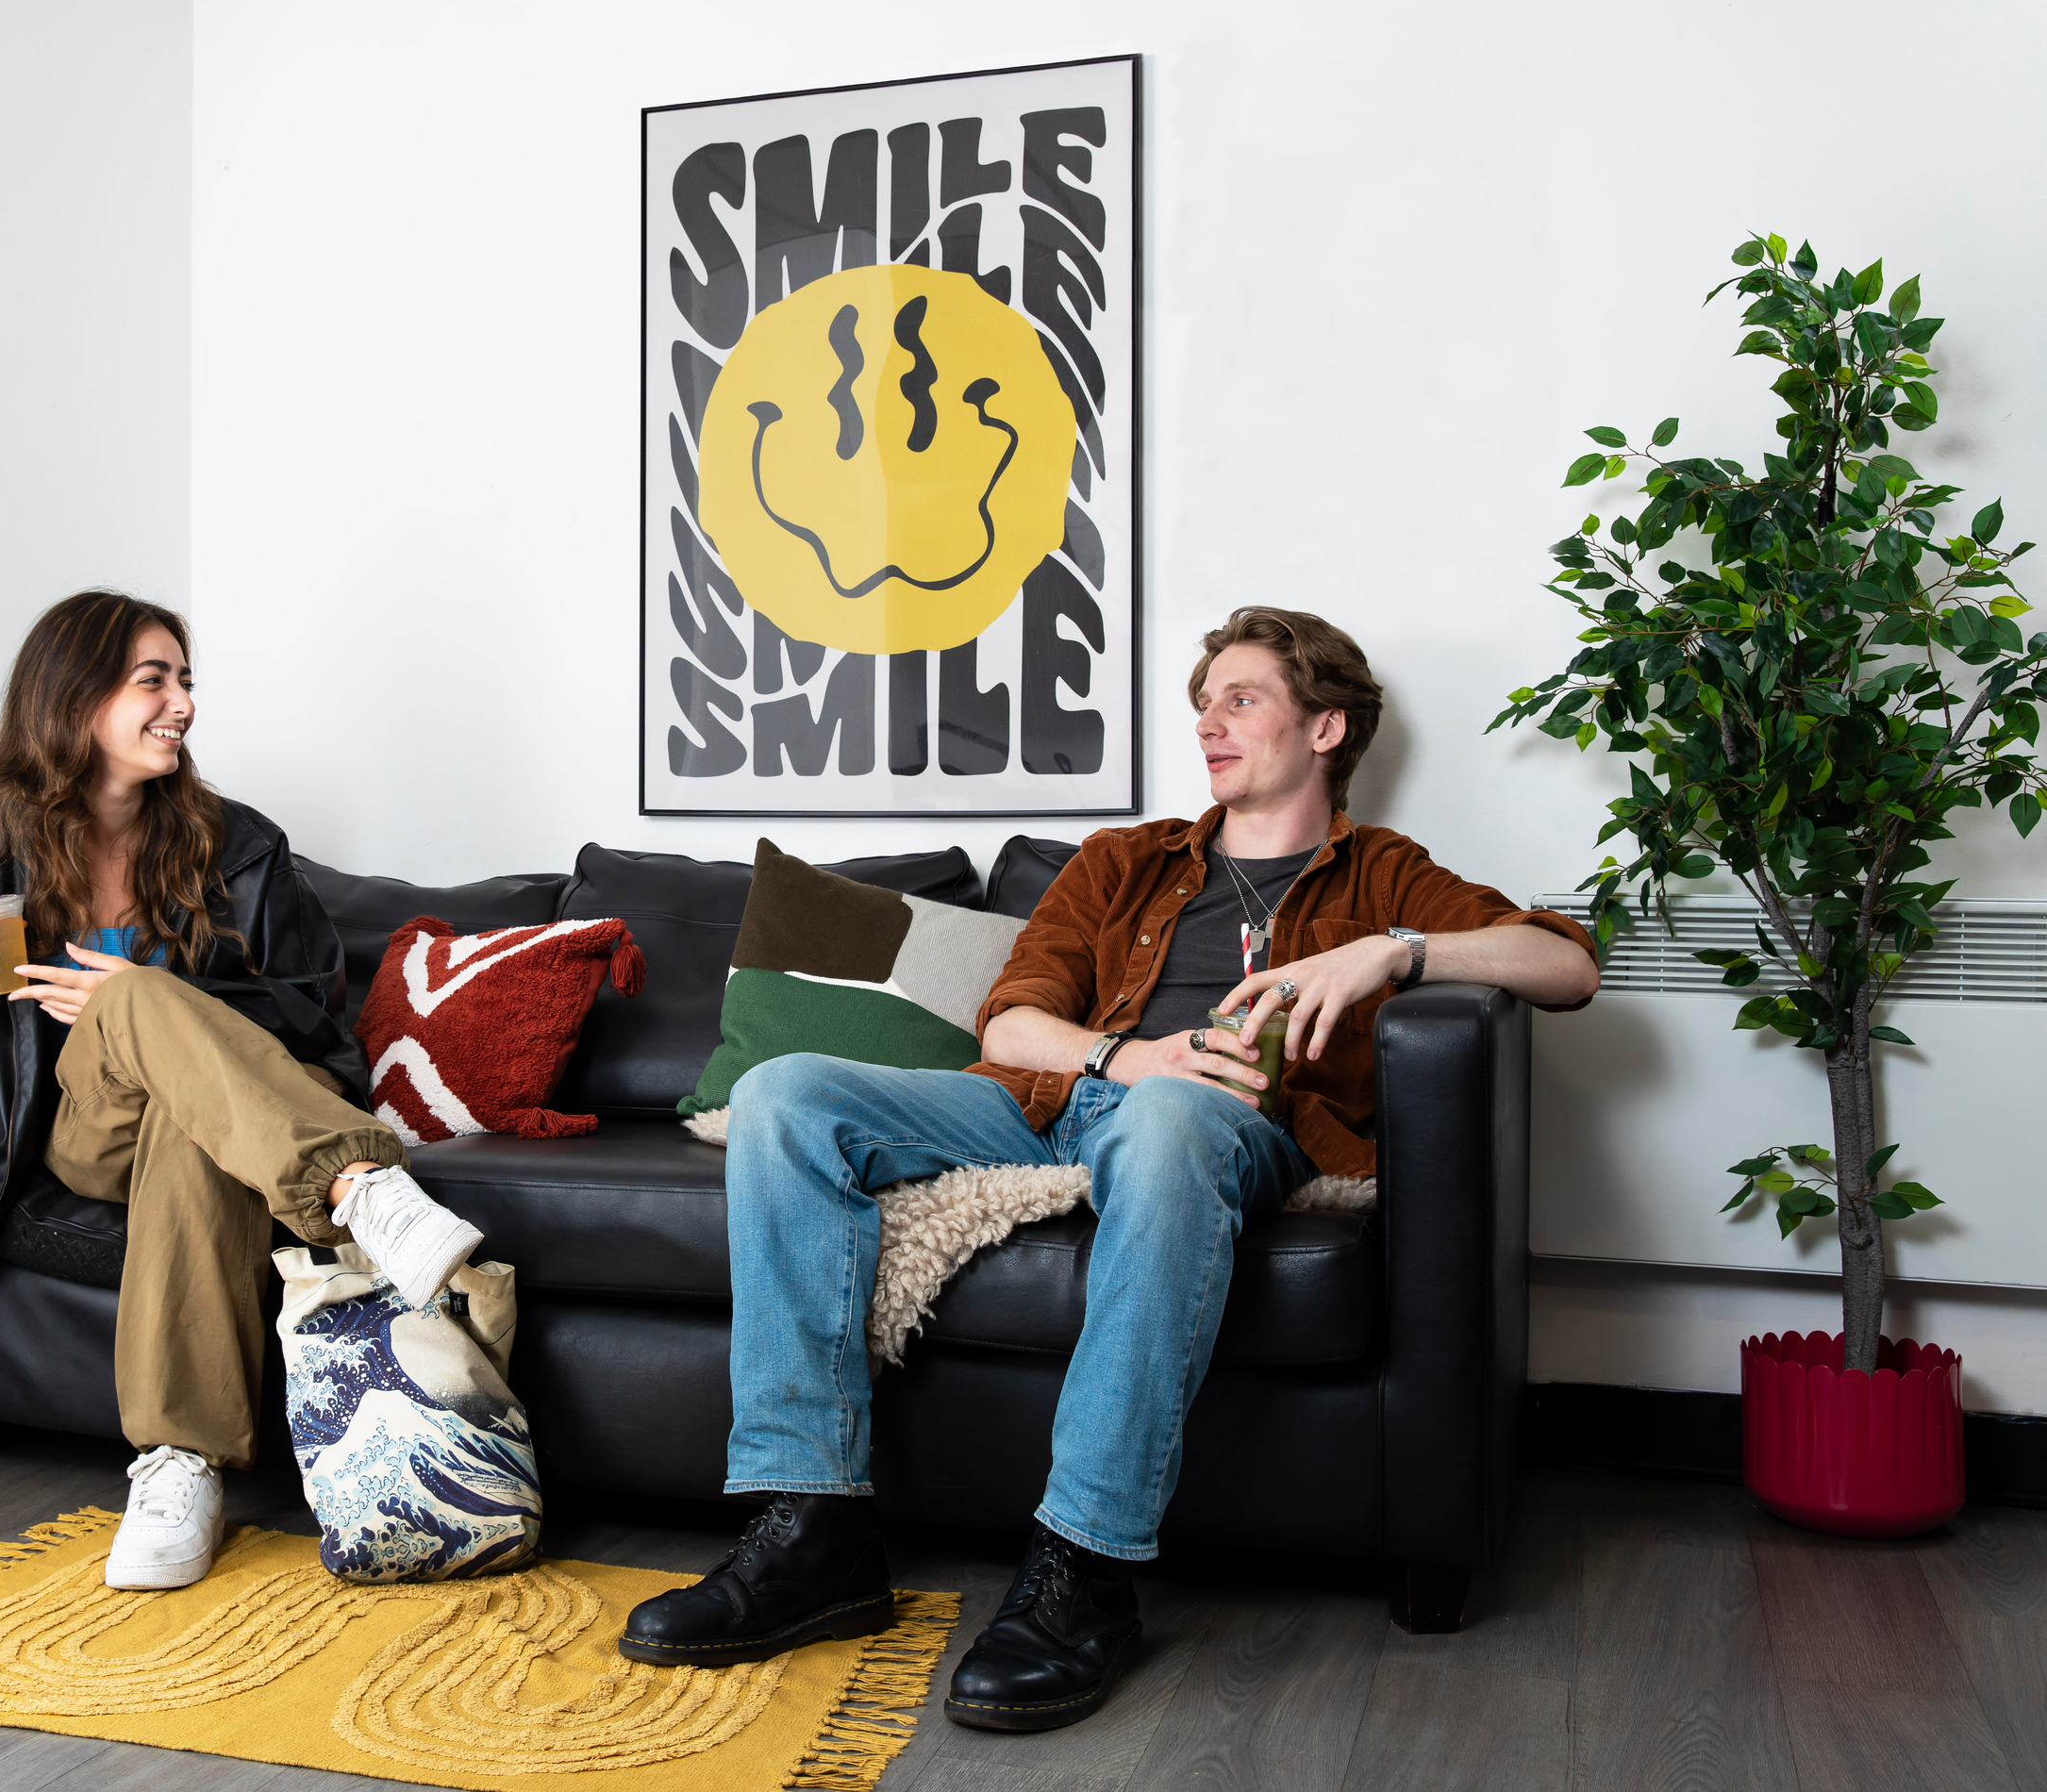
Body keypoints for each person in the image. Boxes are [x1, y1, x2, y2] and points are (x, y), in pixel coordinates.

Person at [619, 607, 1599, 1731]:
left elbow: (1566, 965)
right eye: (1204, 702)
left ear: (1327, 728)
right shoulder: (1125, 861)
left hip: (1221, 1127)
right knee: (784, 1094)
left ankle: (1082, 1568)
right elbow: (1010, 1023)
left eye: (1241, 698)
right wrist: (1127, 1056)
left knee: (1174, 1116)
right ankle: (812, 1531)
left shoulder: (1382, 874)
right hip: (1052, 1104)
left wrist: (1393, 950)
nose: (1208, 723)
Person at [0, 589, 482, 1593]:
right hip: (69, 1134)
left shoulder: (239, 845)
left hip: (203, 1130)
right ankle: (360, 1190)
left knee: (174, 1088)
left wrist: (156, 1000)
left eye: (185, 680)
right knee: (133, 1008)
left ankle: (179, 1468)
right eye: (152, 681)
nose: (182, 704)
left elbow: (309, 1015)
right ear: (75, 698)